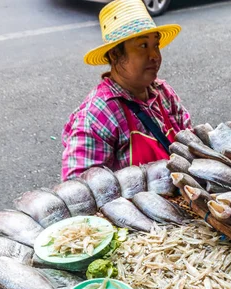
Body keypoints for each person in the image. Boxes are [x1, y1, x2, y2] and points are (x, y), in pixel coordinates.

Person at [61, 0, 192, 180]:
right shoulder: (98, 114)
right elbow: (78, 190)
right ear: (115, 54)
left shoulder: (163, 92)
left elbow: (190, 141)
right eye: (143, 46)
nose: (155, 56)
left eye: (156, 45)